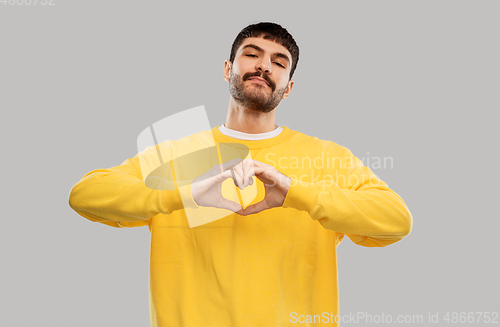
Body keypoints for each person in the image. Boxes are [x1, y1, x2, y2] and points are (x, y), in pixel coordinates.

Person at [69, 22, 412, 327]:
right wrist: (185, 195)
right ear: (227, 68)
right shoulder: (174, 155)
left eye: (279, 62)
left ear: (288, 87)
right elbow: (85, 194)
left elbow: (397, 221)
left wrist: (296, 193)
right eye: (253, 54)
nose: (265, 65)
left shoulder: (327, 158)